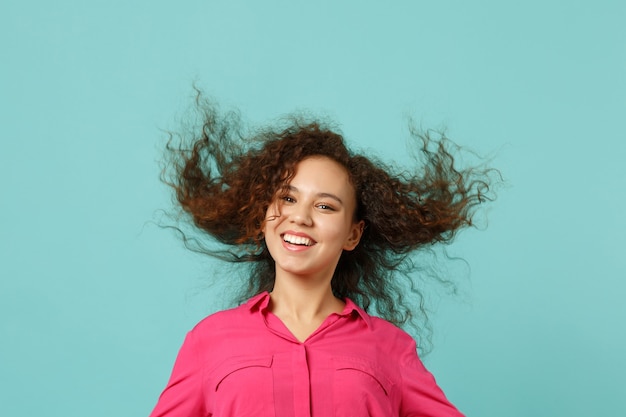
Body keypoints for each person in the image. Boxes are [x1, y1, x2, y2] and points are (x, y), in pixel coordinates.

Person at [149, 97, 496, 417]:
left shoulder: (391, 348)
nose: (300, 217)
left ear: (352, 234)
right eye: (287, 198)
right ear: (262, 211)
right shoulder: (209, 340)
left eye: (325, 206)